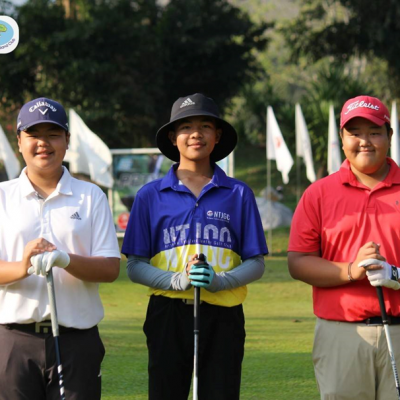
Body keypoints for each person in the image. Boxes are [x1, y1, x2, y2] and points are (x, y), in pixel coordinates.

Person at [121, 93, 268, 400]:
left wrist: (221, 281)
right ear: (173, 137)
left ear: (218, 136)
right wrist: (177, 280)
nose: (196, 134)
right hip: (167, 314)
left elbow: (256, 262)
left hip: (224, 314)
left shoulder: (239, 193)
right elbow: (134, 266)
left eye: (205, 126)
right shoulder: (149, 195)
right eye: (186, 127)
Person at [0, 97, 121, 400]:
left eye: (53, 134)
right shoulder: (2, 196)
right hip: (13, 341)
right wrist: (23, 266)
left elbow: (110, 268)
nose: (43, 143)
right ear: (19, 141)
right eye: (33, 134)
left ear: (67, 140)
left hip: (76, 341)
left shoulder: (91, 196)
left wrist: (66, 260)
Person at [288, 95, 400, 399]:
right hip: (341, 333)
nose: (364, 141)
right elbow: (298, 262)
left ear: (390, 135)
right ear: (341, 137)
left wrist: (395, 275)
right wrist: (351, 270)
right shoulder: (318, 193)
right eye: (355, 133)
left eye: (374, 132)